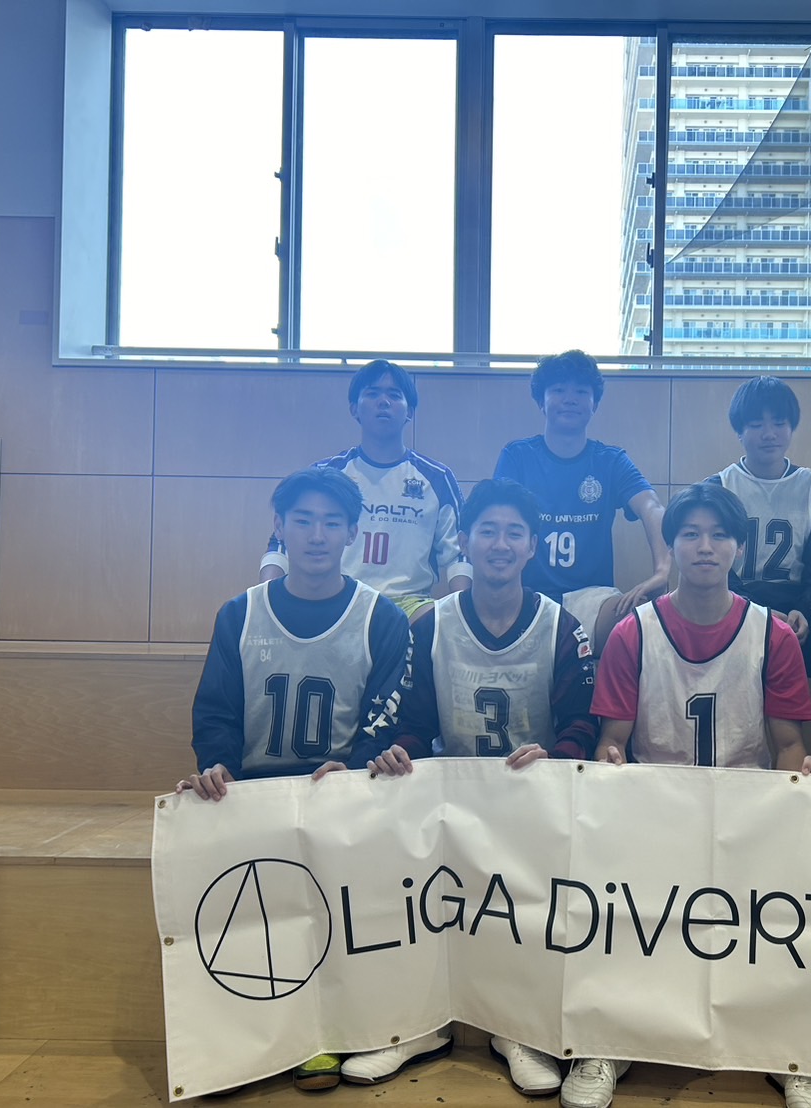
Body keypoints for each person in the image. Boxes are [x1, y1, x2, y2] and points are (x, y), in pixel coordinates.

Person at [565, 482, 811, 1108]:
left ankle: (790, 1049)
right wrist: (609, 765)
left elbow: (788, 742)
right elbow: (613, 740)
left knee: (787, 915)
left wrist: (795, 789)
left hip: (745, 812)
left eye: (719, 535)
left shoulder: (773, 634)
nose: (705, 546)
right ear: (672, 546)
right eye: (690, 534)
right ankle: (605, 1038)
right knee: (612, 910)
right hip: (653, 811)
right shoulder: (633, 632)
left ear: (739, 548)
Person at [355, 478, 598, 1095]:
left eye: (514, 533)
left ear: (532, 545)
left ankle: (517, 1030)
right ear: (464, 541)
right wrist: (399, 754)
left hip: (534, 804)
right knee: (409, 884)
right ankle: (418, 1024)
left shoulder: (561, 626)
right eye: (488, 531)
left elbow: (582, 725)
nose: (500, 543)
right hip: (453, 803)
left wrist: (556, 757)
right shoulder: (429, 625)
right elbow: (413, 724)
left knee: (528, 906)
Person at [183, 465, 411, 1093]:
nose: (316, 534)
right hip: (255, 794)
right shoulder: (240, 613)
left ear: (352, 533)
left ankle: (323, 1034)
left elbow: (387, 716)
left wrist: (358, 767)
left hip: (340, 795)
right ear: (280, 528)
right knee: (249, 920)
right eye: (303, 521)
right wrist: (218, 766)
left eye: (331, 523)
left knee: (337, 921)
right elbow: (216, 710)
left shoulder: (382, 618)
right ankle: (241, 1040)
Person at [260, 359, 469, 620]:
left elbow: (458, 555)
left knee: (434, 622)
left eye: (394, 395)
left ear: (410, 411)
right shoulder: (325, 475)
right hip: (337, 596)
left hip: (410, 604)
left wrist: (464, 617)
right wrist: (264, 602)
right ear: (354, 408)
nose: (383, 402)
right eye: (372, 393)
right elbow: (280, 542)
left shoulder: (438, 478)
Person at [494, 350, 671, 654]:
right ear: (541, 401)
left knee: (643, 621)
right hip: (524, 594)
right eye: (558, 390)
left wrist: (662, 570)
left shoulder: (611, 460)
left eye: (580, 391)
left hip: (594, 598)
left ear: (594, 404)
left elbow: (651, 507)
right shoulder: (518, 456)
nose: (570, 399)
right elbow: (494, 517)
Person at [707, 376, 811, 680]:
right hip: (733, 603)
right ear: (739, 431)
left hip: (798, 607)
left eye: (779, 423)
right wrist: (756, 612)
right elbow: (709, 565)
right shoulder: (717, 489)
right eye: (756, 424)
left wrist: (804, 610)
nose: (769, 434)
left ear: (792, 427)